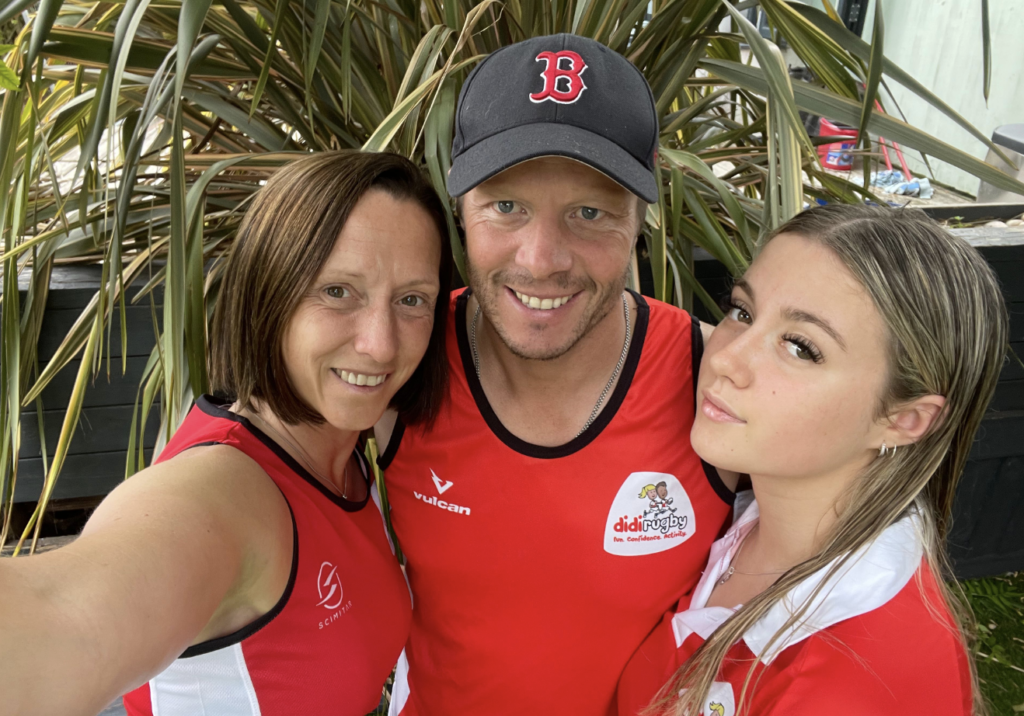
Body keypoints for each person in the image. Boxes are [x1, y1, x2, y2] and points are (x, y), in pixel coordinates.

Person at [0, 151, 452, 716]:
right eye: (338, 291)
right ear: (268, 290)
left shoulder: (345, 449)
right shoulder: (221, 492)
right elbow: (63, 619)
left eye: (412, 300)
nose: (381, 343)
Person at [374, 34, 735, 716]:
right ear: (460, 209)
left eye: (589, 213)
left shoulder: (714, 380)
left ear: (639, 221)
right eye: (505, 207)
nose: (541, 260)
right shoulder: (403, 355)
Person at [616, 204, 1007, 716]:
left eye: (800, 347)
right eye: (742, 312)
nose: (726, 358)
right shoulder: (734, 510)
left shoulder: (854, 682)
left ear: (904, 420)